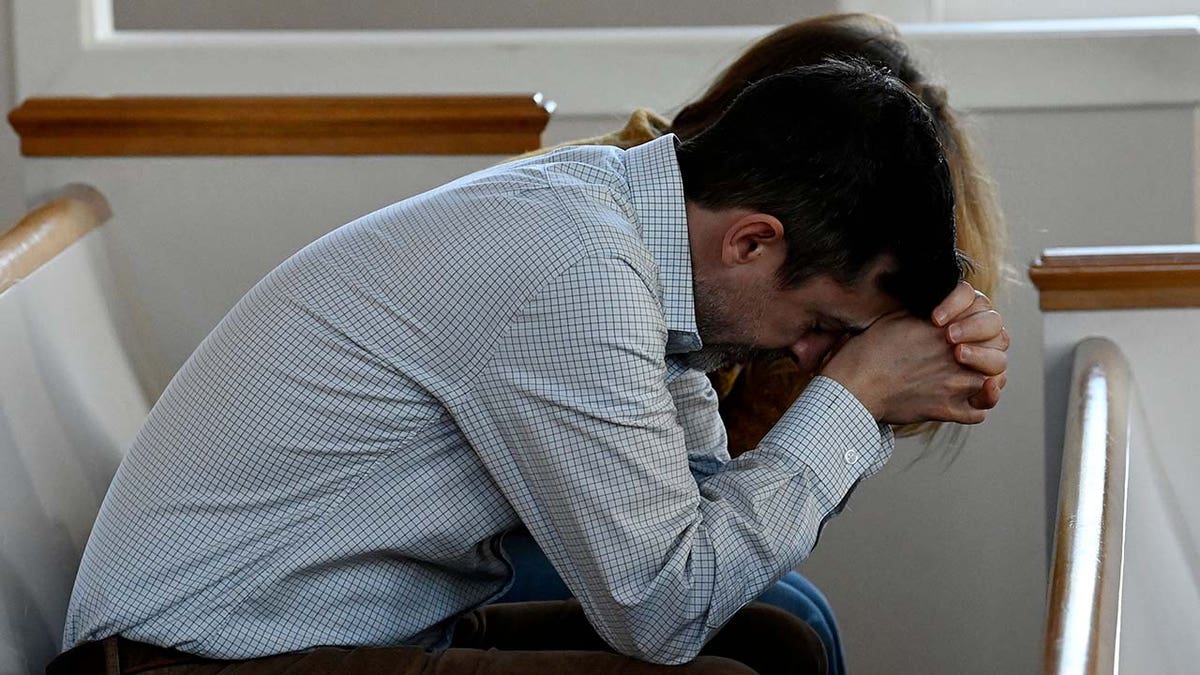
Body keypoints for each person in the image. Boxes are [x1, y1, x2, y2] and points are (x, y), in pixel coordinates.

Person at [52, 60, 1008, 675]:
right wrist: (853, 398)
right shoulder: (575, 273)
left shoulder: (629, 231)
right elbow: (665, 610)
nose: (808, 356)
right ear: (753, 242)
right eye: (822, 325)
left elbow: (703, 516)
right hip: (193, 660)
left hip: (316, 630)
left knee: (774, 644)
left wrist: (866, 397)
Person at [501, 13, 1007, 674]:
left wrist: (887, 365)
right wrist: (858, 388)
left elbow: (719, 496)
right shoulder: (624, 258)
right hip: (505, 531)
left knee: (787, 618)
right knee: (786, 615)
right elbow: (677, 582)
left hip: (571, 520)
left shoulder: (672, 224)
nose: (811, 348)